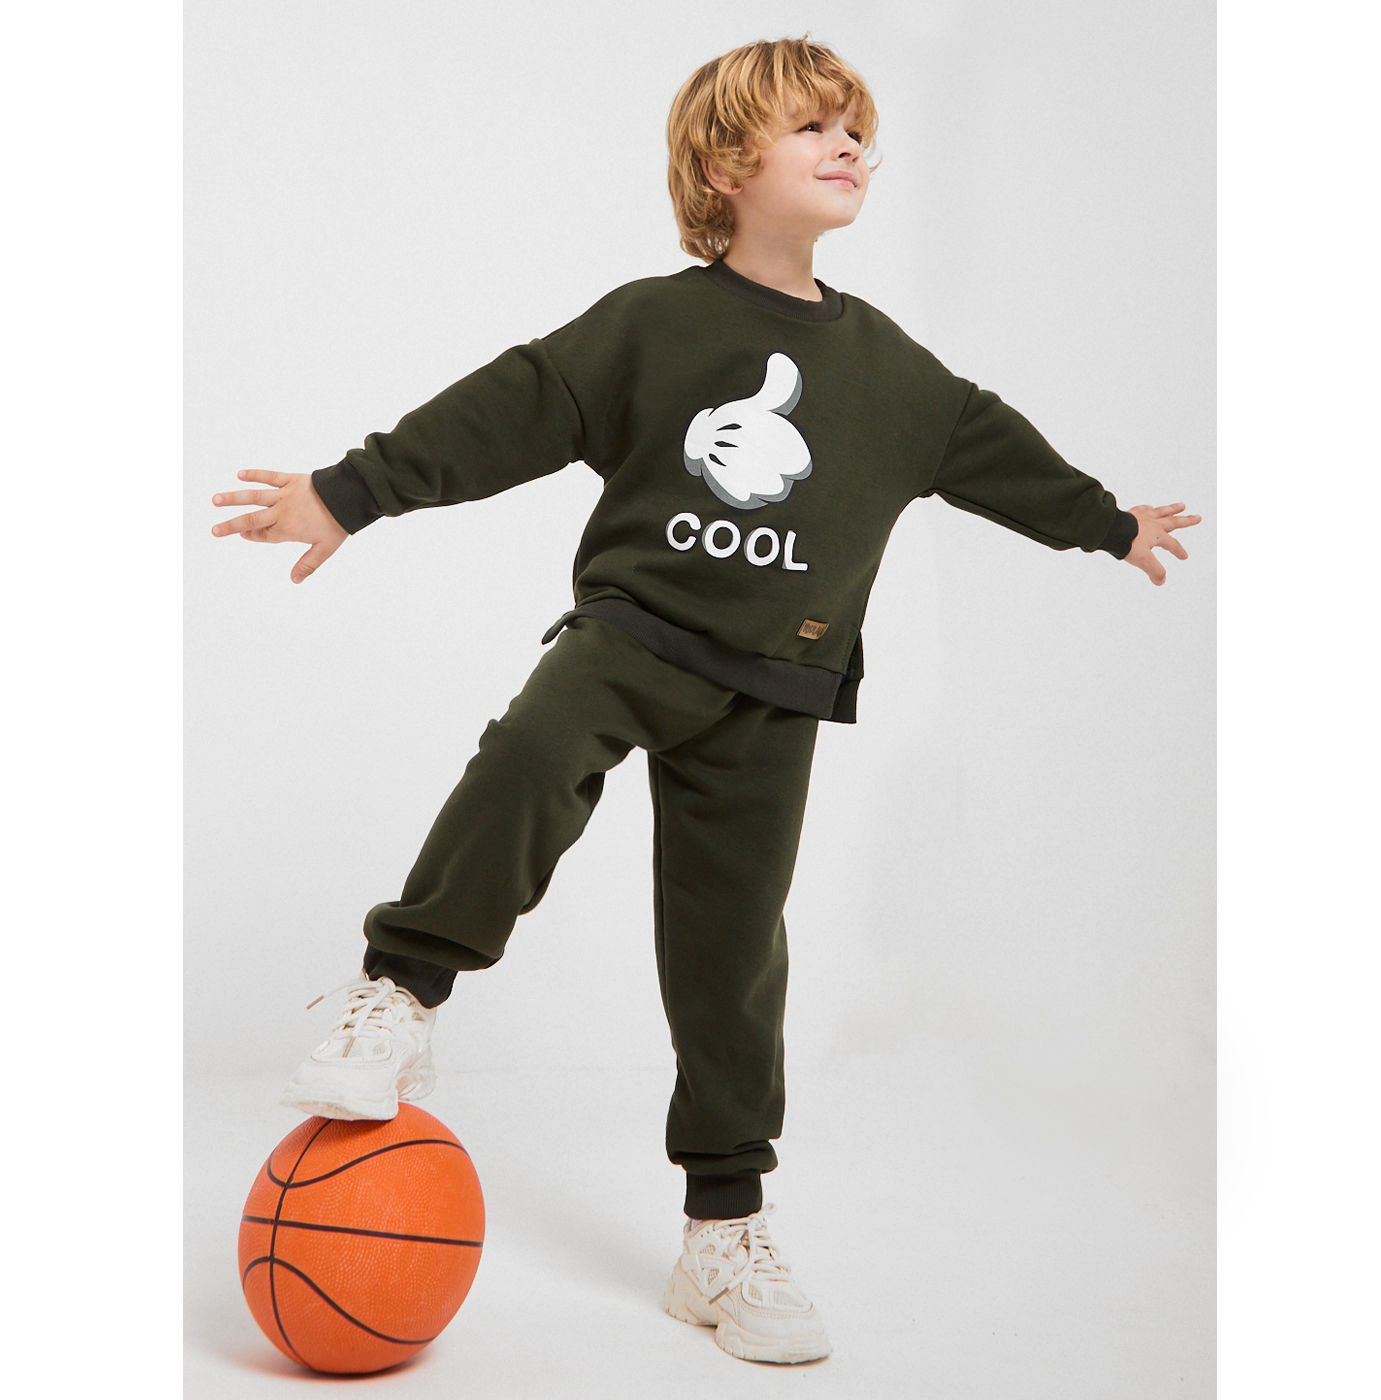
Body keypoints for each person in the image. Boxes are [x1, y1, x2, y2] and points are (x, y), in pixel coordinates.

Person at [210, 36, 1200, 1366]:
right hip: (630, 637)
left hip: (774, 690)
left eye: (857, 130)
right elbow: (512, 405)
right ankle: (398, 995)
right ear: (727, 165)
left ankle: (722, 1235)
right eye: (812, 128)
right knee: (528, 756)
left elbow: (993, 446)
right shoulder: (652, 324)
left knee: (732, 961)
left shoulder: (895, 375)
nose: (849, 146)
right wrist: (351, 491)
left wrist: (1107, 523)